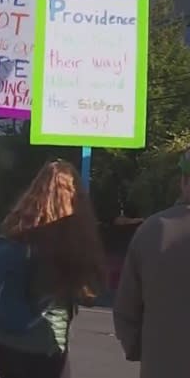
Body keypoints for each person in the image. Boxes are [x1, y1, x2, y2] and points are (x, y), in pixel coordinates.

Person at [0, 160, 104, 378]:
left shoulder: (14, 233)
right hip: (45, 345)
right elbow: (89, 291)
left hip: (2, 344)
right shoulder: (70, 240)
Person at [114, 148, 190, 378]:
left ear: (183, 181)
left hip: (162, 366)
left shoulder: (152, 230)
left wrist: (145, 350)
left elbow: (126, 310)